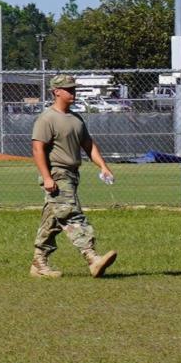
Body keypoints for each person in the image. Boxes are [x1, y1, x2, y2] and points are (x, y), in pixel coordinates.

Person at [28, 74, 118, 278]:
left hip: (72, 175)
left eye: (73, 89)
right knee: (70, 213)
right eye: (68, 89)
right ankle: (92, 257)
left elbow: (89, 146)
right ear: (56, 92)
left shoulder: (76, 119)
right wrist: (47, 177)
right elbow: (37, 149)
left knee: (52, 220)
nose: (73, 92)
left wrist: (103, 166)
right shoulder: (47, 118)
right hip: (57, 175)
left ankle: (38, 263)